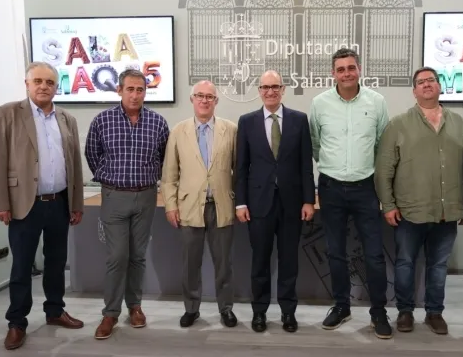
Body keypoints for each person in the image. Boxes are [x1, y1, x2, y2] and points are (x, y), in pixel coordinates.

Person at [0, 61, 85, 351]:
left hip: (59, 203)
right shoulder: (7, 114)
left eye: (50, 82)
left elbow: (74, 165)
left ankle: (55, 310)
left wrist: (76, 204)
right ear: (27, 84)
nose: (44, 86)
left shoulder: (66, 119)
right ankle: (17, 322)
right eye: (38, 81)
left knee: (56, 262)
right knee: (22, 265)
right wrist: (0, 202)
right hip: (23, 204)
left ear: (57, 87)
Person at [375, 67, 463, 336]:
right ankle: (405, 311)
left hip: (447, 211)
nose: (427, 84)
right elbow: (384, 169)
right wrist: (388, 205)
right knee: (405, 263)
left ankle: (434, 312)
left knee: (438, 266)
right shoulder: (398, 125)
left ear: (440, 86)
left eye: (431, 80)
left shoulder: (459, 124)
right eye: (421, 82)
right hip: (410, 211)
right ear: (414, 91)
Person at [308, 47, 393, 339]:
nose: (347, 73)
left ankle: (378, 312)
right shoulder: (319, 104)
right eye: (341, 69)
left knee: (374, 254)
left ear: (359, 70)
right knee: (335, 252)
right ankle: (341, 306)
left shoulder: (377, 102)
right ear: (333, 74)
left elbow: (382, 145)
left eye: (351, 68)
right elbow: (316, 145)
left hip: (366, 187)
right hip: (331, 187)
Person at [85, 69, 170, 340]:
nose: (135, 95)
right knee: (117, 256)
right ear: (119, 90)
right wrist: (109, 177)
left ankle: (135, 306)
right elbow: (92, 154)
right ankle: (110, 313)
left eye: (140, 90)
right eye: (130, 89)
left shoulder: (158, 122)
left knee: (138, 256)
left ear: (146, 92)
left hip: (146, 196)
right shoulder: (103, 121)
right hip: (114, 196)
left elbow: (164, 158)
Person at [235, 70, 315, 333]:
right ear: (259, 91)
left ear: (283, 89)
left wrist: (308, 200)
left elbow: (305, 164)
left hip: (292, 204)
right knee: (260, 261)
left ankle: (288, 312)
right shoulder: (247, 122)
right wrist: (241, 203)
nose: (270, 91)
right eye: (265, 87)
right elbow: (241, 166)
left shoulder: (299, 120)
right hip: (258, 204)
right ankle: (259, 312)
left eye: (275, 86)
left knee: (289, 261)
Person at [160, 80, 238, 328]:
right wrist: (171, 206)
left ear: (216, 101)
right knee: (190, 264)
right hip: (189, 207)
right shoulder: (178, 131)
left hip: (221, 206)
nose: (205, 100)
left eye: (210, 97)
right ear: (192, 99)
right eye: (200, 96)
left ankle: (226, 308)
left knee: (224, 264)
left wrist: (240, 203)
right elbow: (169, 175)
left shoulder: (231, 130)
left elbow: (240, 171)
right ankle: (191, 308)